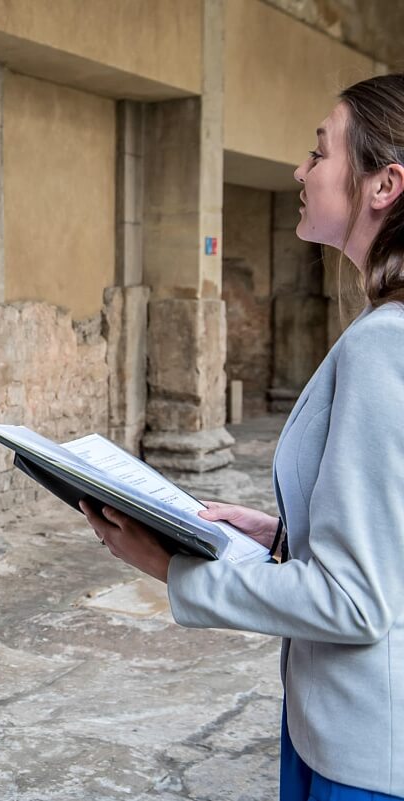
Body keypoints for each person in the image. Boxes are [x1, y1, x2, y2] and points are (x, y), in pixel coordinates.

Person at [81, 74, 404, 800]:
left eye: (319, 152)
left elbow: (354, 603)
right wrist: (280, 534)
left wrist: (173, 568)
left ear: (383, 184)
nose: (301, 169)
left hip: (367, 750)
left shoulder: (385, 344)